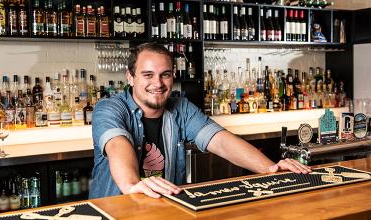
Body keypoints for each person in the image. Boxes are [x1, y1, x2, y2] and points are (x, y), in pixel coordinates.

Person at [89, 42, 311, 199]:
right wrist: (132, 184)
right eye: (148, 75)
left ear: (173, 75)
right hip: (117, 210)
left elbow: (221, 140)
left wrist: (271, 168)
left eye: (165, 74)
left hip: (163, 207)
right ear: (130, 76)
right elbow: (118, 144)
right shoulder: (109, 108)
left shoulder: (181, 108)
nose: (157, 83)